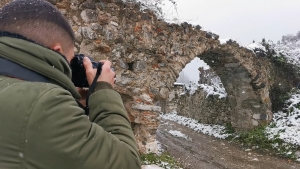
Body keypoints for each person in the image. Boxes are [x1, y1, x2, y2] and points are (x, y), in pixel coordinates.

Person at [0, 0, 141, 168]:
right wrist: (104, 91)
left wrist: (73, 104)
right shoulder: (43, 104)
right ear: (56, 52)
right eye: (69, 62)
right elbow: (128, 163)